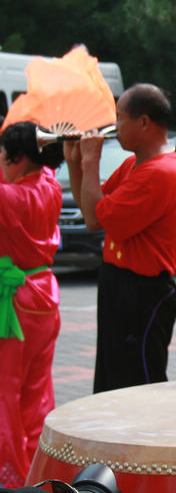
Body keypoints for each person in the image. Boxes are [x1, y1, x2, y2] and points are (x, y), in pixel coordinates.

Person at [64, 84, 176, 394]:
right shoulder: (135, 164)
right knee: (113, 377)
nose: (114, 127)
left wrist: (90, 162)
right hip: (120, 284)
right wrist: (76, 164)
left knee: (138, 383)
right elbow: (93, 214)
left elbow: (99, 217)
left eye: (119, 118)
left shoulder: (159, 172)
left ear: (143, 122)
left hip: (142, 291)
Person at [0, 122, 63, 488]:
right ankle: (39, 471)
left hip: (16, 302)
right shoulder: (50, 185)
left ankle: (11, 474)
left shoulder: (12, 197)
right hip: (44, 293)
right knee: (37, 391)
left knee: (6, 390)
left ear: (18, 157)